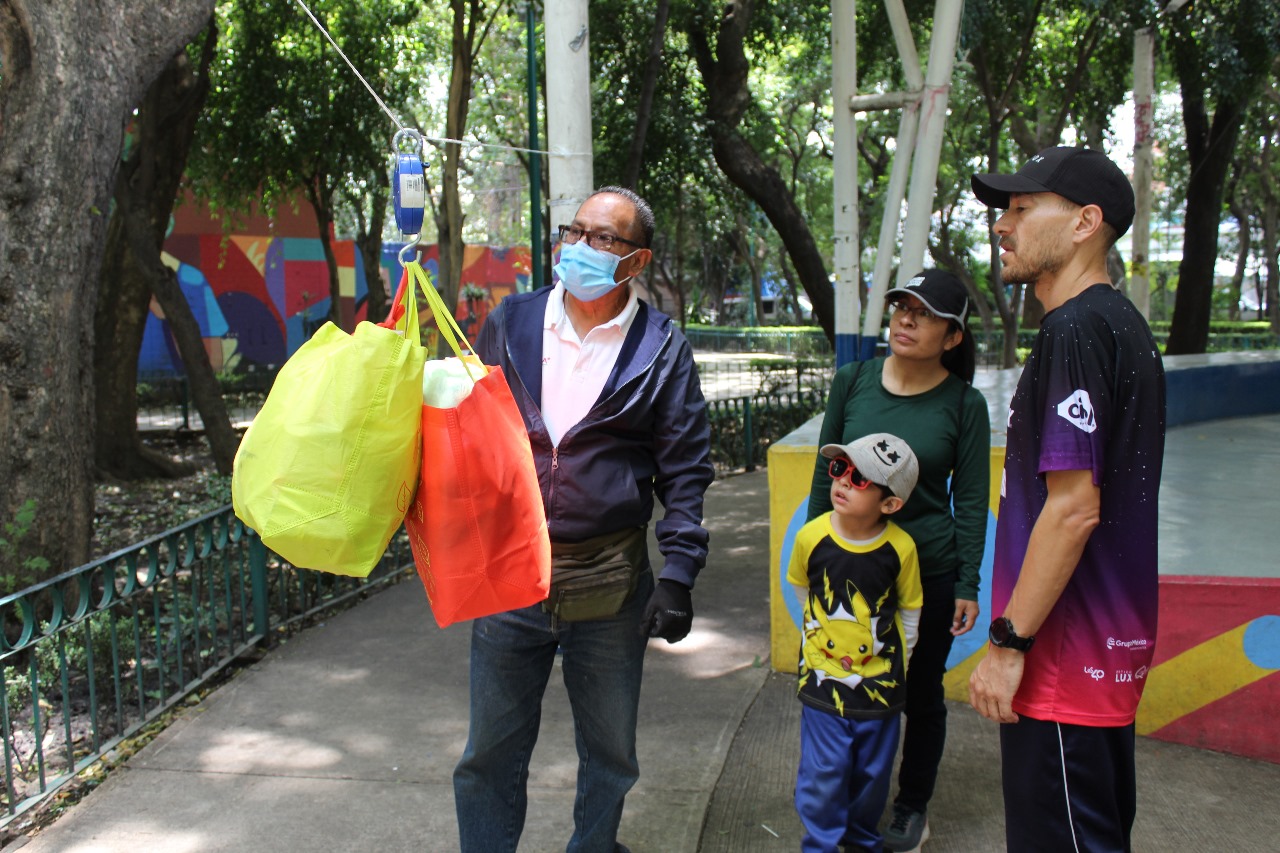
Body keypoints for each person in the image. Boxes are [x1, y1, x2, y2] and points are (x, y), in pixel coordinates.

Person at [454, 186, 715, 853]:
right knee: (488, 750)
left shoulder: (661, 347)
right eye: (574, 231)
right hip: (512, 575)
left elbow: (685, 467)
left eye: (603, 238)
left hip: (609, 581)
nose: (579, 247)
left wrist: (679, 572)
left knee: (610, 752)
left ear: (636, 261)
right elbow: (470, 430)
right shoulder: (512, 321)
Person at [967, 145, 1166, 852]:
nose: (1004, 225)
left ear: (1085, 222)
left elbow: (1074, 506)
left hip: (1062, 661)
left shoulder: (1075, 329)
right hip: (1099, 657)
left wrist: (1008, 641)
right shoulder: (1122, 327)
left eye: (1023, 209)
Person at [806, 269, 991, 851]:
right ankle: (840, 801)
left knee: (920, 692)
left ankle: (911, 806)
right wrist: (817, 549)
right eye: (901, 306)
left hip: (926, 573)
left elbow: (973, 500)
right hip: (850, 571)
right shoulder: (852, 381)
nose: (907, 320)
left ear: (953, 336)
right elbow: (823, 472)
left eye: (926, 313)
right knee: (843, 682)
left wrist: (966, 581)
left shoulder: (964, 404)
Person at [790, 433, 924, 853]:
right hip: (821, 680)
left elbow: (910, 609)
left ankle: (862, 840)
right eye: (840, 470)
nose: (843, 482)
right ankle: (821, 844)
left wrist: (900, 658)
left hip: (880, 688)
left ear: (890, 504)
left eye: (861, 479)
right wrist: (815, 637)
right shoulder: (811, 537)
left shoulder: (900, 548)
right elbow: (800, 586)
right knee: (823, 770)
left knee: (871, 772)